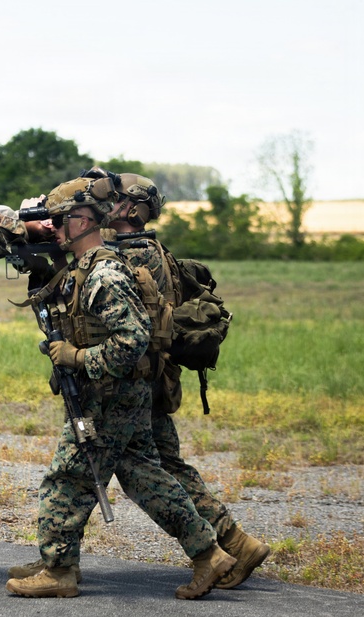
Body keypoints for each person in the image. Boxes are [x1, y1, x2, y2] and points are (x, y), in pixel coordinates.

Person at [4, 176, 236, 600]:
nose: (52, 226)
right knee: (145, 475)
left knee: (67, 478)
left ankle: (59, 571)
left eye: (58, 219)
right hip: (118, 394)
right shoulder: (87, 266)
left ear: (82, 221)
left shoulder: (104, 273)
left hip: (109, 395)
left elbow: (133, 341)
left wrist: (77, 358)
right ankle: (209, 554)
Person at [102, 169, 269, 588]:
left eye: (113, 198)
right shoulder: (147, 248)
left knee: (139, 468)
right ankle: (237, 543)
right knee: (169, 465)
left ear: (132, 209)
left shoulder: (133, 255)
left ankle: (214, 550)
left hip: (140, 378)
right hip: (155, 376)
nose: (105, 204)